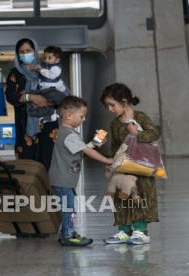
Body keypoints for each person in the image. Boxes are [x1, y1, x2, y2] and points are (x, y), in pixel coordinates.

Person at [49, 96, 113, 246]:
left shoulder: (69, 133)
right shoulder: (68, 134)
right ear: (69, 116)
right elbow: (85, 150)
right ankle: (68, 234)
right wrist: (106, 160)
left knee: (68, 207)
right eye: (81, 116)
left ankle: (65, 232)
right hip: (62, 180)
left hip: (65, 180)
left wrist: (96, 142)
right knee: (69, 207)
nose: (83, 119)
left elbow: (81, 151)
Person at [101, 83, 160, 245]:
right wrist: (112, 163)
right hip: (123, 169)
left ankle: (140, 231)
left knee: (140, 196)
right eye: (107, 106)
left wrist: (138, 133)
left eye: (112, 105)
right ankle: (124, 231)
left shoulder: (140, 117)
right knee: (121, 199)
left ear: (124, 101)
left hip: (141, 168)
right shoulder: (114, 124)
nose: (110, 109)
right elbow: (115, 148)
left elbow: (154, 133)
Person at [5, 38, 64, 170]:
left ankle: (49, 191)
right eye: (21, 51)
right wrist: (29, 97)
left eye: (28, 50)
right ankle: (30, 191)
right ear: (17, 54)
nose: (25, 54)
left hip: (48, 125)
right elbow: (11, 97)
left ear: (35, 51)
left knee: (49, 163)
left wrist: (47, 101)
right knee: (27, 165)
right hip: (25, 124)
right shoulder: (15, 74)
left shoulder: (47, 69)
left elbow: (62, 95)